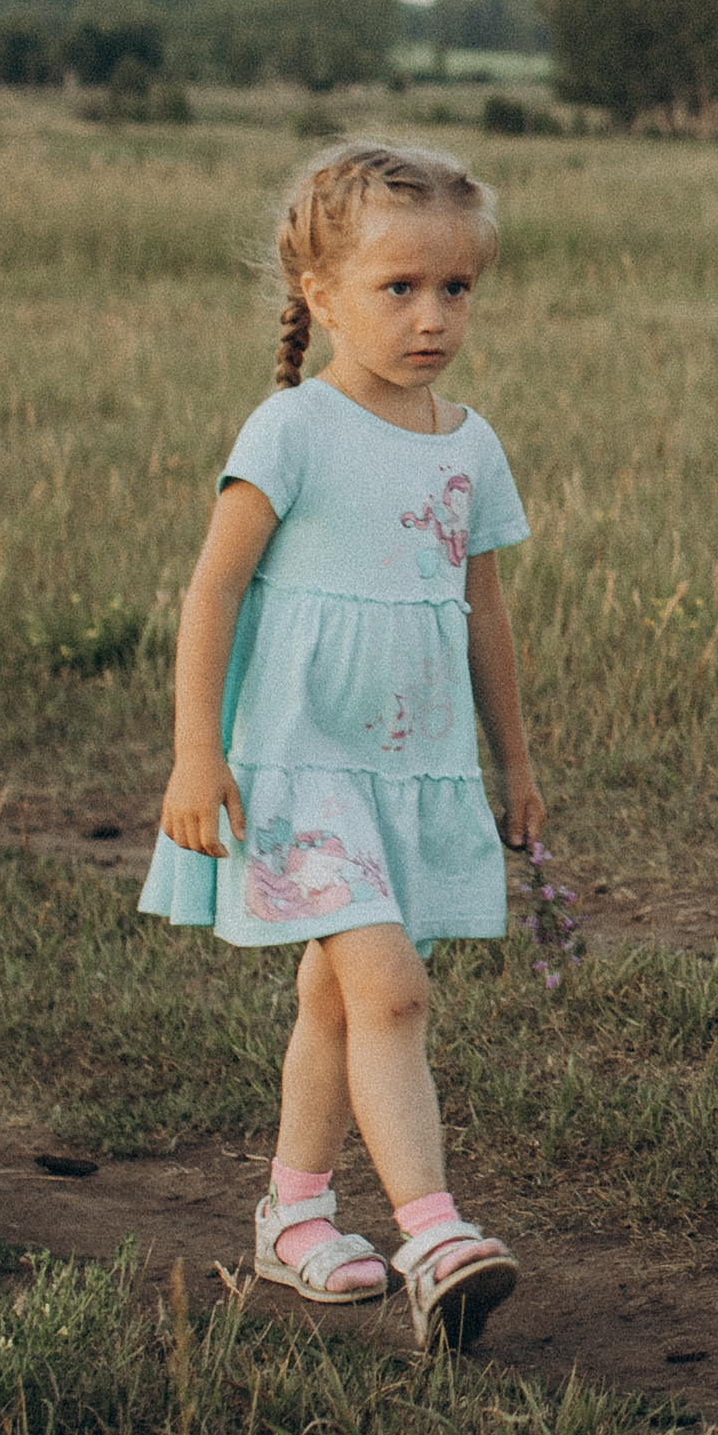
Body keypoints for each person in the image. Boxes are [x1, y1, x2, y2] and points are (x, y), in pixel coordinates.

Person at [138, 140, 543, 1349]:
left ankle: (297, 1212)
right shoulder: (293, 427)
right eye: (398, 287)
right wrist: (195, 753)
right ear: (319, 295)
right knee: (389, 986)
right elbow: (212, 592)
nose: (432, 316)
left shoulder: (468, 444)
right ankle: (433, 1232)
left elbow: (482, 614)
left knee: (331, 995)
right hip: (300, 770)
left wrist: (513, 763)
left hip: (408, 771)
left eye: (455, 288)